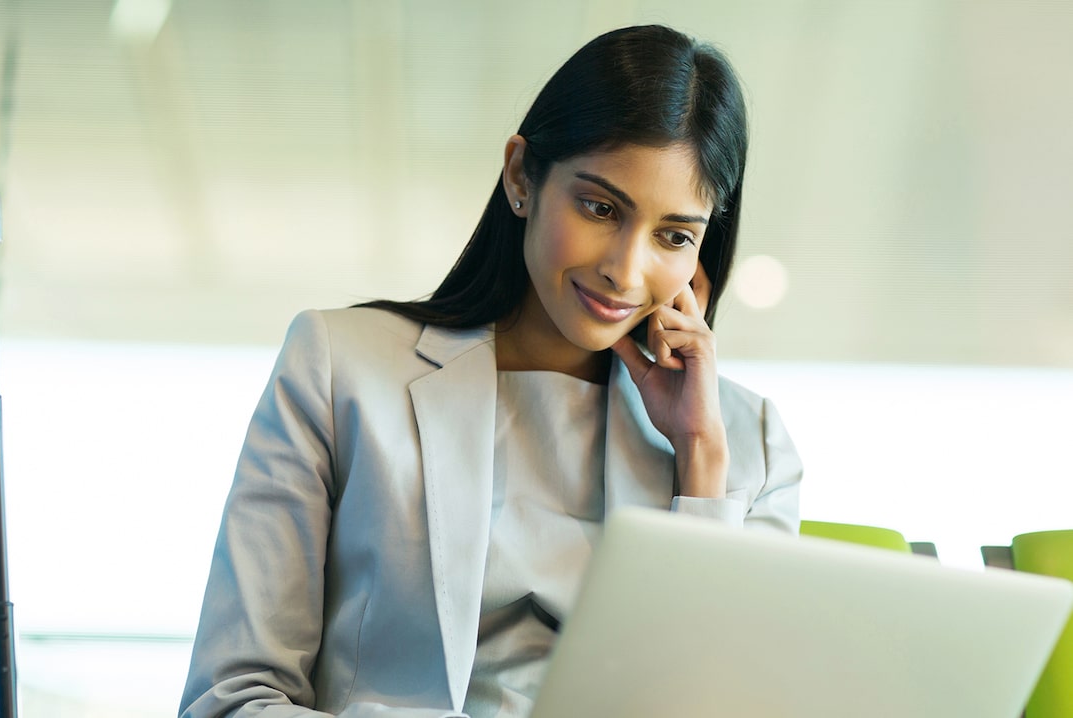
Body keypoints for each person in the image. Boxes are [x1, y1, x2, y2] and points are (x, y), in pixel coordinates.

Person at [180, 23, 802, 718]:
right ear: (520, 176)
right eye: (601, 207)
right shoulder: (339, 369)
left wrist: (700, 466)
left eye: (674, 236)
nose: (625, 270)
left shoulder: (749, 447)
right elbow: (229, 699)